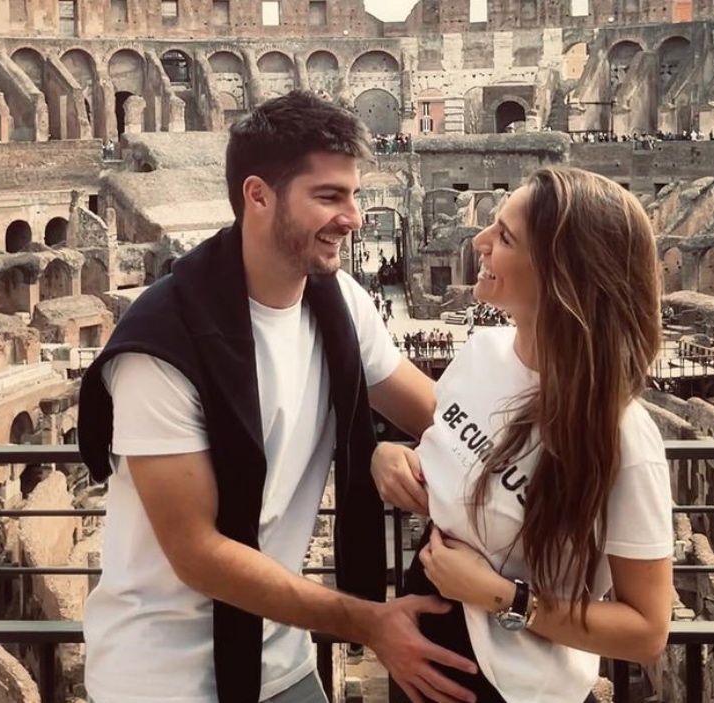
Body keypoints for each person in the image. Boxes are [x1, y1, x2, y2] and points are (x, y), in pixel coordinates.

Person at [76, 91, 478, 703]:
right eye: (329, 196)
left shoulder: (341, 303)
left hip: (282, 658)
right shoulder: (162, 346)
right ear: (258, 196)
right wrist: (369, 621)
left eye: (354, 195)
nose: (353, 217)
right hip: (160, 676)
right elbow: (197, 553)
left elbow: (442, 417)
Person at [371, 167, 674, 702]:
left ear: (561, 274)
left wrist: (501, 596)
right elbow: (463, 460)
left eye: (506, 237)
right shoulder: (480, 352)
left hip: (519, 688)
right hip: (422, 656)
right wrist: (392, 457)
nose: (480, 242)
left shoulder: (624, 436)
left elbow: (647, 632)